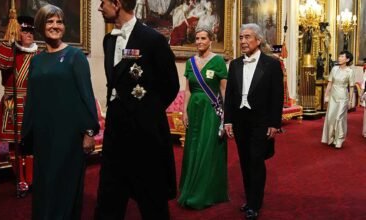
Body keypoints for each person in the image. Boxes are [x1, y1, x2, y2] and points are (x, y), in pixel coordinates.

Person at [95, 0, 180, 219]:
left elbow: (171, 84)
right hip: (115, 130)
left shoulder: (153, 40)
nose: (99, 8)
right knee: (109, 194)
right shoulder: (109, 41)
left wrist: (147, 112)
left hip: (144, 132)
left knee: (152, 197)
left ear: (117, 3)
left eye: (102, 2)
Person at [21, 4, 100, 219]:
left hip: (69, 136)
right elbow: (32, 99)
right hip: (43, 135)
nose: (55, 26)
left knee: (65, 186)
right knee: (44, 185)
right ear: (40, 25)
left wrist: (89, 132)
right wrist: (27, 134)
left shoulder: (75, 56)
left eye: (59, 22)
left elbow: (86, 96)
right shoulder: (36, 60)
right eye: (50, 21)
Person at [223, 23, 284, 220]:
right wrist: (228, 121)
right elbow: (230, 96)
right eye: (241, 37)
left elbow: (277, 96)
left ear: (258, 40)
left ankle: (255, 203)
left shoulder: (272, 64)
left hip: (262, 122)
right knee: (245, 161)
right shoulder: (235, 64)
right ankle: (250, 199)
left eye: (247, 37)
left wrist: (275, 123)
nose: (243, 41)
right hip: (241, 122)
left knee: (256, 161)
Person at [178, 27, 228, 209]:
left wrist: (226, 116)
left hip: (211, 111)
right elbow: (188, 89)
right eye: (197, 38)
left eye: (203, 38)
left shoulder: (218, 61)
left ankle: (206, 192)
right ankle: (190, 189)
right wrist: (184, 112)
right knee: (192, 149)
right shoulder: (190, 63)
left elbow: (224, 90)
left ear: (211, 40)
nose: (199, 41)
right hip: (194, 110)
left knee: (208, 149)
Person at [0, 15, 38, 194]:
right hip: (13, 104)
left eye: (31, 32)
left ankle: (32, 178)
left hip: (32, 103)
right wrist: (9, 40)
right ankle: (21, 179)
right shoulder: (10, 54)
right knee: (15, 144)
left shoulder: (38, 55)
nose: (28, 35)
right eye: (24, 31)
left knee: (32, 143)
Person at [321, 51, 355, 148]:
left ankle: (339, 140)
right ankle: (331, 138)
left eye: (342, 56)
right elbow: (330, 83)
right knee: (331, 118)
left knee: (339, 118)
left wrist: (350, 100)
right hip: (333, 97)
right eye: (339, 56)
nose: (339, 58)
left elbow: (351, 87)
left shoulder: (350, 71)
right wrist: (326, 95)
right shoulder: (334, 69)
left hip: (343, 98)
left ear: (347, 59)